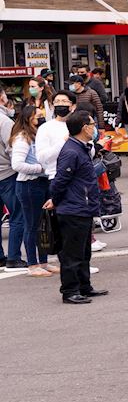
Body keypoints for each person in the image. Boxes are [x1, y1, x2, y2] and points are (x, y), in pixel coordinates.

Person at [44, 111, 107, 304]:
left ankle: (84, 286)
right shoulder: (72, 151)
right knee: (72, 253)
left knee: (83, 251)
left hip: (82, 207)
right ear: (84, 128)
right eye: (92, 124)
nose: (94, 128)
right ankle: (70, 290)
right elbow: (60, 180)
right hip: (73, 208)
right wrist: (55, 199)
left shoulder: (81, 148)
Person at [9, 105, 51, 276]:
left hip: (41, 182)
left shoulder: (37, 135)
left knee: (42, 225)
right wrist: (40, 168)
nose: (41, 118)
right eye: (38, 116)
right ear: (29, 118)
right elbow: (17, 164)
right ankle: (33, 264)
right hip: (29, 184)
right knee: (31, 225)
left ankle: (44, 262)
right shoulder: (22, 138)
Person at [0, 90, 26, 272]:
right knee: (18, 215)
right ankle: (14, 258)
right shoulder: (4, 121)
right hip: (7, 174)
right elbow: (12, 148)